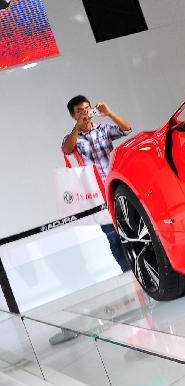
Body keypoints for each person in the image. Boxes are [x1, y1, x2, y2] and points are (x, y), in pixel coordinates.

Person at [61, 95, 132, 272]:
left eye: (86, 108)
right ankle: (127, 273)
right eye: (79, 111)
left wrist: (108, 113)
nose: (84, 113)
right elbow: (66, 149)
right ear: (73, 116)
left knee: (132, 225)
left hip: (117, 187)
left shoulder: (103, 129)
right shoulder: (72, 138)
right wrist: (77, 126)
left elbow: (127, 129)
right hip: (97, 194)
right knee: (113, 237)